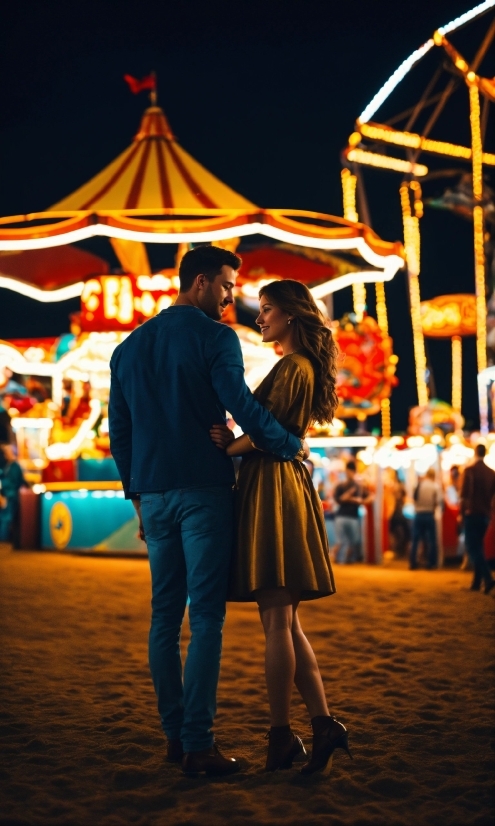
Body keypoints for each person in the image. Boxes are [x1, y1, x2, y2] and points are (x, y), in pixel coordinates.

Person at [109, 246, 306, 777]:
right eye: (225, 286)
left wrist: (137, 494)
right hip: (203, 491)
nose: (229, 298)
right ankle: (199, 744)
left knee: (163, 619)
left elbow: (119, 433)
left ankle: (175, 737)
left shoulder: (128, 349)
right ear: (200, 282)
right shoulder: (216, 338)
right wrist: (286, 443)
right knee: (208, 619)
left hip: (153, 494)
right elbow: (240, 403)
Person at [211, 280, 352, 775]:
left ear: (292, 315)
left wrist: (229, 444)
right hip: (281, 487)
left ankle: (280, 735)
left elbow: (274, 432)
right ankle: (323, 725)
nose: (260, 318)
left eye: (268, 310)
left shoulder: (292, 366)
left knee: (275, 620)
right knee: (287, 622)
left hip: (272, 487)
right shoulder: (302, 365)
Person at [460, 444, 495, 594]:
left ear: (475, 453)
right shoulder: (491, 473)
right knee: (479, 547)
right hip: (485, 514)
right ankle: (476, 583)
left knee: (472, 547)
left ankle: (488, 579)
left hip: (472, 513)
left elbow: (464, 496)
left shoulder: (469, 471)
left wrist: (461, 514)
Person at [333, 460, 370, 564]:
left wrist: (360, 501)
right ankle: (339, 560)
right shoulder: (343, 486)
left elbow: (369, 498)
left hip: (350, 516)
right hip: (344, 516)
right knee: (343, 541)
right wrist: (351, 498)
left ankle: (346, 560)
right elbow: (339, 500)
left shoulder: (358, 486)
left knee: (352, 541)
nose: (348, 473)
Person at [410, 467, 442, 570]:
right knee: (432, 540)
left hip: (418, 514)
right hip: (429, 515)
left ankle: (413, 562)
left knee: (415, 539)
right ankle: (431, 563)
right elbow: (437, 502)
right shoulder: (435, 486)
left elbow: (414, 498)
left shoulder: (418, 485)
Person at [0, 442, 26, 543]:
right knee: (5, 519)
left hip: (11, 497)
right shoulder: (8, 466)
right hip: (7, 496)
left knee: (6, 519)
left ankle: (4, 541)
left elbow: (16, 483)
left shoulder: (15, 466)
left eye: (7, 452)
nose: (6, 455)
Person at [388, 470, 410, 558]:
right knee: (398, 533)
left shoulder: (396, 487)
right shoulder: (396, 487)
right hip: (397, 514)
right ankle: (398, 551)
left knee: (398, 533)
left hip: (397, 514)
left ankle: (398, 551)